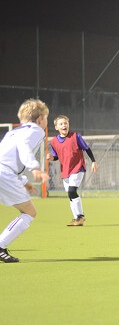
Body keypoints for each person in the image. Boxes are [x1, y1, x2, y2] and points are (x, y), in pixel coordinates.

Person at [0, 99, 50, 262]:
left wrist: (23, 181)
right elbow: (24, 148)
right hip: (4, 174)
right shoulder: (36, 130)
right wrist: (34, 168)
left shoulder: (13, 132)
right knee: (29, 212)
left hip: (5, 172)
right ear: (40, 118)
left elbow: (7, 159)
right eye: (46, 119)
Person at [47, 115, 98, 226]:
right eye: (61, 124)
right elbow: (56, 157)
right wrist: (51, 158)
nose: (64, 125)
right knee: (70, 195)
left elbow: (87, 149)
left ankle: (80, 216)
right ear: (56, 127)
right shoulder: (54, 142)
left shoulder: (76, 136)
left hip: (78, 168)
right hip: (65, 171)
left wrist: (93, 161)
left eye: (66, 123)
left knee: (71, 191)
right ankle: (76, 219)